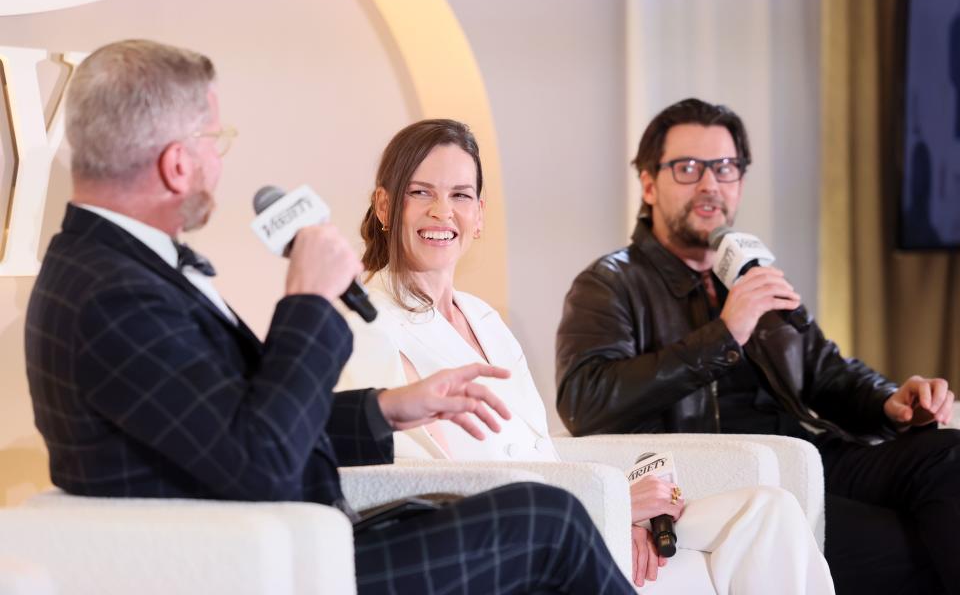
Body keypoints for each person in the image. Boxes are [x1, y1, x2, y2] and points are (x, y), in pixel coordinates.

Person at [24, 39, 637, 595]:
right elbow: (261, 460)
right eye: (215, 141)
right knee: (546, 521)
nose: (220, 161)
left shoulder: (115, 269)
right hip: (271, 568)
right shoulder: (113, 294)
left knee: (545, 516)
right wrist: (308, 302)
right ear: (177, 163)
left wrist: (389, 408)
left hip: (305, 545)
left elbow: (239, 424)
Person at [336, 118, 835, 593]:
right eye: (420, 192)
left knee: (769, 512)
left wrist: (625, 514)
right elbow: (418, 486)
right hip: (517, 540)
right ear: (384, 206)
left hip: (578, 514)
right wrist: (609, 505)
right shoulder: (368, 324)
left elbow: (540, 452)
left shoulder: (483, 318)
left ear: (480, 215)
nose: (442, 212)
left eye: (460, 195)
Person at [555, 97, 960, 595]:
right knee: (906, 544)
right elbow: (586, 401)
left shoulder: (748, 269)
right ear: (648, 184)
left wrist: (889, 400)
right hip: (725, 473)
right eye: (687, 168)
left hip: (809, 453)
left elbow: (825, 371)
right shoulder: (609, 283)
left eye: (725, 168)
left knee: (949, 456)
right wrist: (726, 334)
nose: (710, 185)